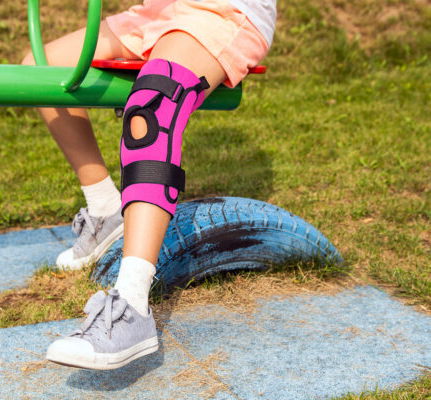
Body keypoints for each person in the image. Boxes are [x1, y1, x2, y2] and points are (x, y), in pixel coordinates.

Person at [22, 0, 276, 370]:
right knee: (41, 66)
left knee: (153, 105)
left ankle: (132, 306)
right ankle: (105, 208)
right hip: (157, 11)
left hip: (220, 10)